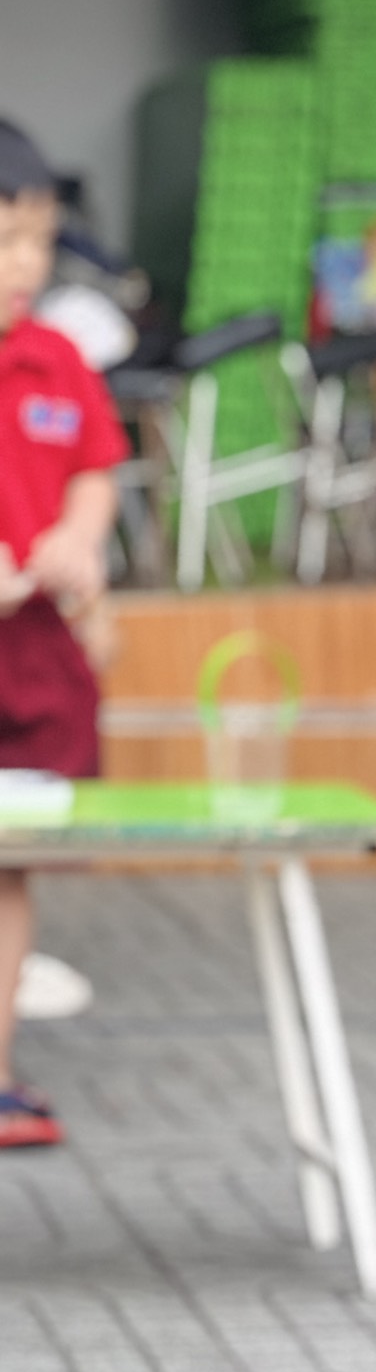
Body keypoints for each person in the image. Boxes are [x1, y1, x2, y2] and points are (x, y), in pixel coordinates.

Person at [0, 121, 125, 1149]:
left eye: (37, 240)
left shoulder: (57, 358)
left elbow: (95, 467)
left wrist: (81, 543)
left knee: (7, 867)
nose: (25, 264)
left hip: (34, 659)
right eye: (4, 240)